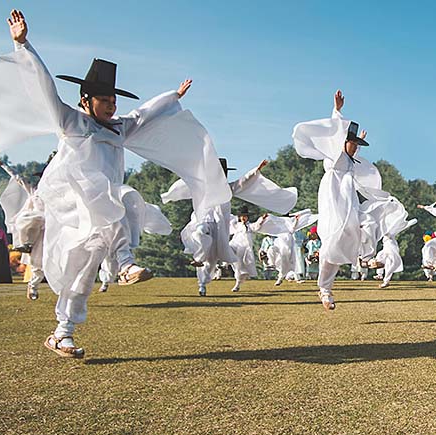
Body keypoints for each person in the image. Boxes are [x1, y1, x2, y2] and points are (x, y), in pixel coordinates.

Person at [0, 10, 234, 358]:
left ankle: (62, 333)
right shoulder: (70, 121)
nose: (111, 105)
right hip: (71, 197)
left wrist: (172, 97)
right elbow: (43, 88)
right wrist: (23, 44)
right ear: (86, 100)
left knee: (84, 272)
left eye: (114, 100)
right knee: (120, 195)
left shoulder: (119, 128)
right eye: (105, 99)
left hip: (100, 212)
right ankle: (125, 262)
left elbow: (145, 113)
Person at [293, 89, 386, 310]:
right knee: (332, 243)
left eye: (356, 145)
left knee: (369, 222)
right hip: (333, 200)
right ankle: (325, 290)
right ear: (342, 143)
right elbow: (335, 132)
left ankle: (365, 257)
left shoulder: (353, 162)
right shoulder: (334, 157)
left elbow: (361, 173)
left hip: (349, 201)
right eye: (352, 143)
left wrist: (356, 143)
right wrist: (337, 110)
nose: (355, 147)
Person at [162, 158, 296, 296]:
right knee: (199, 233)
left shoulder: (228, 189)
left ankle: (202, 285)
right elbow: (187, 183)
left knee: (211, 260)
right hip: (204, 221)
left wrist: (257, 170)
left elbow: (244, 181)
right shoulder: (203, 186)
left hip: (219, 228)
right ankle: (199, 258)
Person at [0, 157, 45, 297]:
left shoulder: (57, 194)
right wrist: (4, 165)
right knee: (27, 219)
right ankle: (25, 243)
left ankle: (33, 286)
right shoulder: (34, 190)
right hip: (34, 226)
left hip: (48, 229)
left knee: (43, 260)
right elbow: (18, 178)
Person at [258, 210, 317, 286]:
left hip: (288, 248)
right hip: (279, 245)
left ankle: (290, 278)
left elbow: (293, 228)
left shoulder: (290, 229)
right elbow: (271, 222)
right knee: (271, 249)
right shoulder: (279, 228)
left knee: (289, 265)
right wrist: (266, 217)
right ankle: (271, 263)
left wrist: (296, 219)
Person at [227, 207, 267, 292]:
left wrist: (262, 219)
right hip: (236, 244)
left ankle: (237, 284)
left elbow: (257, 226)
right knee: (228, 247)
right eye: (241, 216)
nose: (243, 218)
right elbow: (229, 222)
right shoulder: (236, 225)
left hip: (245, 248)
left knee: (240, 267)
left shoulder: (249, 226)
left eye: (245, 216)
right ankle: (224, 262)